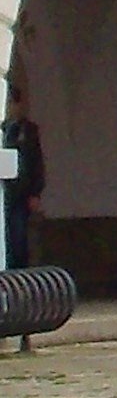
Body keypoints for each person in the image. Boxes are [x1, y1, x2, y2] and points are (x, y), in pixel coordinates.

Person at [2, 84, 45, 269]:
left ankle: (19, 274)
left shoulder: (27, 130)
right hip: (6, 192)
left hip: (20, 194)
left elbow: (35, 162)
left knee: (18, 237)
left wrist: (35, 192)